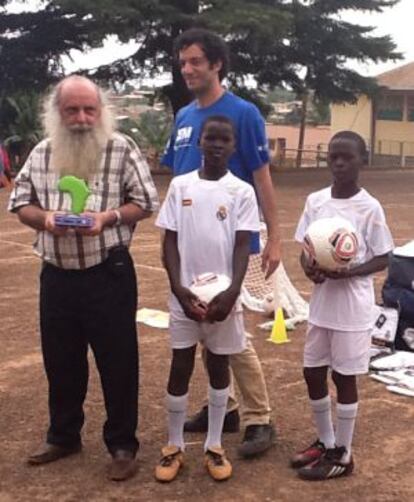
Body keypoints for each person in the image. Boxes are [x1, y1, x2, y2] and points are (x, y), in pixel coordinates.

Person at [8, 75, 159, 481]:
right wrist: (45, 219)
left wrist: (107, 217)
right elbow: (20, 202)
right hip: (56, 276)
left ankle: (123, 444)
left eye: (89, 109)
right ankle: (63, 435)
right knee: (61, 361)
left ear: (101, 111)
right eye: (72, 110)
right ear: (57, 113)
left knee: (119, 361)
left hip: (108, 272)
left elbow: (145, 202)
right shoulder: (40, 154)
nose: (81, 118)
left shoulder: (121, 148)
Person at [162, 27, 281, 458]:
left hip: (234, 243)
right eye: (183, 62)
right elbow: (177, 176)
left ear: (217, 64)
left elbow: (262, 176)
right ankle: (226, 408)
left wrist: (275, 238)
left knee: (233, 330)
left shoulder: (244, 113)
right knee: (201, 330)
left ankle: (258, 418)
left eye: (195, 61)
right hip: (191, 245)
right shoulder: (183, 116)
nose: (187, 69)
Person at [155, 115, 260, 482]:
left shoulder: (241, 191)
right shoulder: (180, 186)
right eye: (210, 138)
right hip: (184, 297)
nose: (217, 144)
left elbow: (243, 244)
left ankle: (214, 446)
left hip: (222, 299)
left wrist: (231, 293)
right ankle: (174, 446)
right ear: (199, 142)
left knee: (218, 367)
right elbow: (168, 241)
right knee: (180, 366)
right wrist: (179, 290)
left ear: (233, 146)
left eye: (224, 139)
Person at [291, 131, 394, 480]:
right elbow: (305, 248)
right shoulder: (316, 201)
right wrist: (312, 270)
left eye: (346, 157)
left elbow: (383, 257)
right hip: (321, 304)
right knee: (312, 372)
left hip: (352, 307)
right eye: (333, 157)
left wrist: (347, 271)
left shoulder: (369, 207)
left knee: (344, 376)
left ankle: (344, 455)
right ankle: (325, 441)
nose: (338, 163)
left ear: (361, 160)